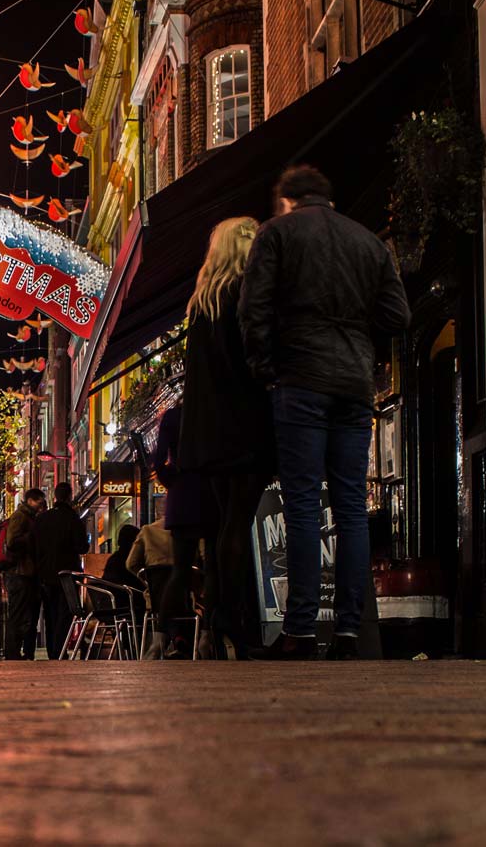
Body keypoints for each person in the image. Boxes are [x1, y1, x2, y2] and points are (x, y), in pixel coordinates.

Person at [239, 166, 411, 660]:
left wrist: (266, 366)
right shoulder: (368, 243)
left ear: (288, 200)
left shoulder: (277, 235)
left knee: (302, 507)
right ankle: (350, 632)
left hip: (300, 381)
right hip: (355, 386)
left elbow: (254, 311)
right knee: (352, 507)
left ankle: (299, 632)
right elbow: (397, 316)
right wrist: (357, 332)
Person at [178, 216, 275, 660]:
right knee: (239, 521)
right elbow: (254, 360)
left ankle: (219, 615)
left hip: (209, 432)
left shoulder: (201, 303)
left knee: (223, 525)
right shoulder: (245, 294)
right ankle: (235, 620)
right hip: (243, 423)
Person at [153, 403, 219, 659]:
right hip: (212, 492)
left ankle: (159, 638)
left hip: (183, 495)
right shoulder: (214, 410)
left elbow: (159, 461)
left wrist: (175, 482)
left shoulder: (174, 415)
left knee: (179, 570)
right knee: (213, 569)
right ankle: (207, 634)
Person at [31, 481, 90, 660]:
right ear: (70, 496)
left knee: (50, 613)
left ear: (54, 496)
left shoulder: (42, 519)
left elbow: (34, 547)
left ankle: (52, 651)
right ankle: (60, 650)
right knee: (65, 612)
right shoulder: (73, 518)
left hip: (46, 574)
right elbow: (82, 547)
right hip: (67, 574)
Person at [2, 489, 45, 660]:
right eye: (39, 502)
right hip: (20, 573)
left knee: (28, 614)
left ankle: (26, 651)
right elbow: (12, 541)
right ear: (30, 500)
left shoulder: (31, 517)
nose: (41, 506)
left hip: (28, 573)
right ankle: (12, 652)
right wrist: (32, 536)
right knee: (18, 613)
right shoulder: (20, 516)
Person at [126, 516, 175, 658]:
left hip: (154, 598)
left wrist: (147, 580)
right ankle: (180, 641)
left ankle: (161, 644)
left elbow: (131, 563)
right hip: (185, 598)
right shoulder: (189, 531)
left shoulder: (147, 531)